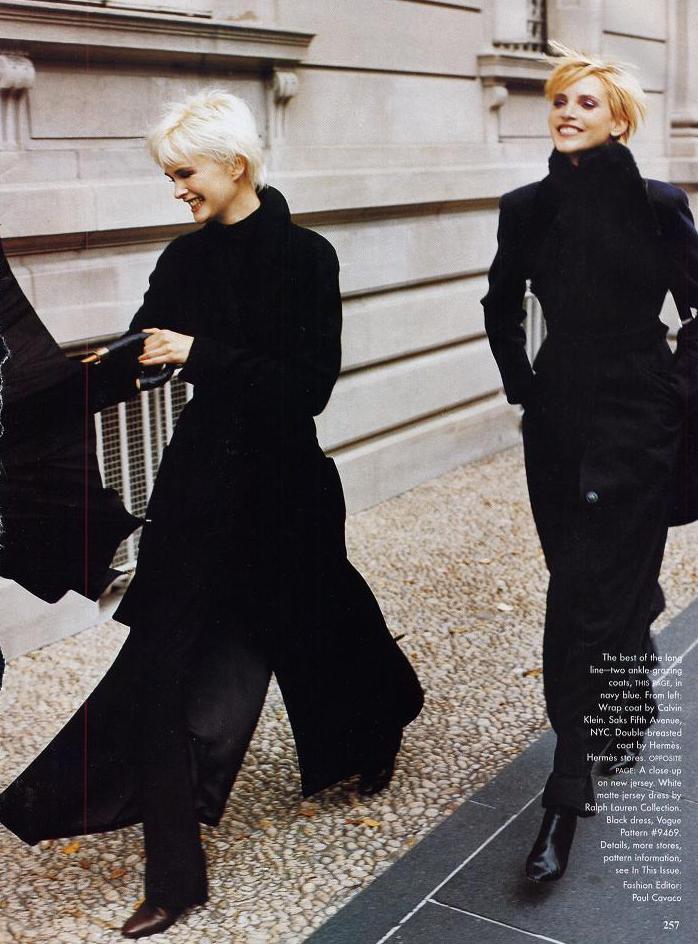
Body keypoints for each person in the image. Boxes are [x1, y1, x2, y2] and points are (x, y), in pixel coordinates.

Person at [0, 89, 423, 937]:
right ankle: (175, 877)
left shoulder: (307, 257)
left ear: (235, 164)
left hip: (286, 489)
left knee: (325, 624)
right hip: (199, 489)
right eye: (170, 175)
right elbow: (143, 349)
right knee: (161, 669)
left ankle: (379, 723)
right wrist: (81, 377)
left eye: (185, 172)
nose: (177, 189)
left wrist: (203, 353)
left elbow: (309, 387)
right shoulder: (184, 259)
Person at [482, 45, 698, 882]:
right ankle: (630, 666)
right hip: (559, 424)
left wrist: (676, 392)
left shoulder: (659, 204)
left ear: (619, 119)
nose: (566, 113)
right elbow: (500, 303)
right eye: (559, 101)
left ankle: (564, 798)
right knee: (589, 583)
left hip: (638, 421)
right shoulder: (526, 207)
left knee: (577, 603)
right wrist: (525, 388)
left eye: (585, 103)